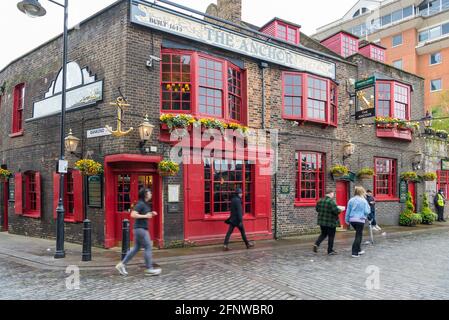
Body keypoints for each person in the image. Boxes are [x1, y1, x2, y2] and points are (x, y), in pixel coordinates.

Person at [115, 188, 161, 276]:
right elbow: (132, 214)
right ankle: (149, 269)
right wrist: (146, 215)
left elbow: (145, 214)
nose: (151, 194)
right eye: (149, 192)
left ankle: (121, 265)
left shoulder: (145, 204)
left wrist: (151, 213)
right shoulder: (140, 204)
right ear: (145, 194)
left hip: (139, 229)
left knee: (136, 248)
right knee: (148, 247)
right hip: (141, 229)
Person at [345, 186, 371, 258]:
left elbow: (348, 211)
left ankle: (359, 250)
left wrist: (346, 220)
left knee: (359, 234)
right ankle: (354, 252)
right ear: (362, 192)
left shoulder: (351, 200)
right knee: (358, 236)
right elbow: (367, 211)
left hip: (352, 220)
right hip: (360, 219)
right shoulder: (363, 201)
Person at [313, 190, 341, 255]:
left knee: (323, 234)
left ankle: (316, 244)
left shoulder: (320, 201)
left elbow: (317, 209)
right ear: (330, 194)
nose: (333, 195)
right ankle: (330, 250)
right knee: (331, 236)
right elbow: (336, 211)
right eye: (333, 194)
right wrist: (340, 209)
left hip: (322, 221)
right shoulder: (331, 202)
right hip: (330, 222)